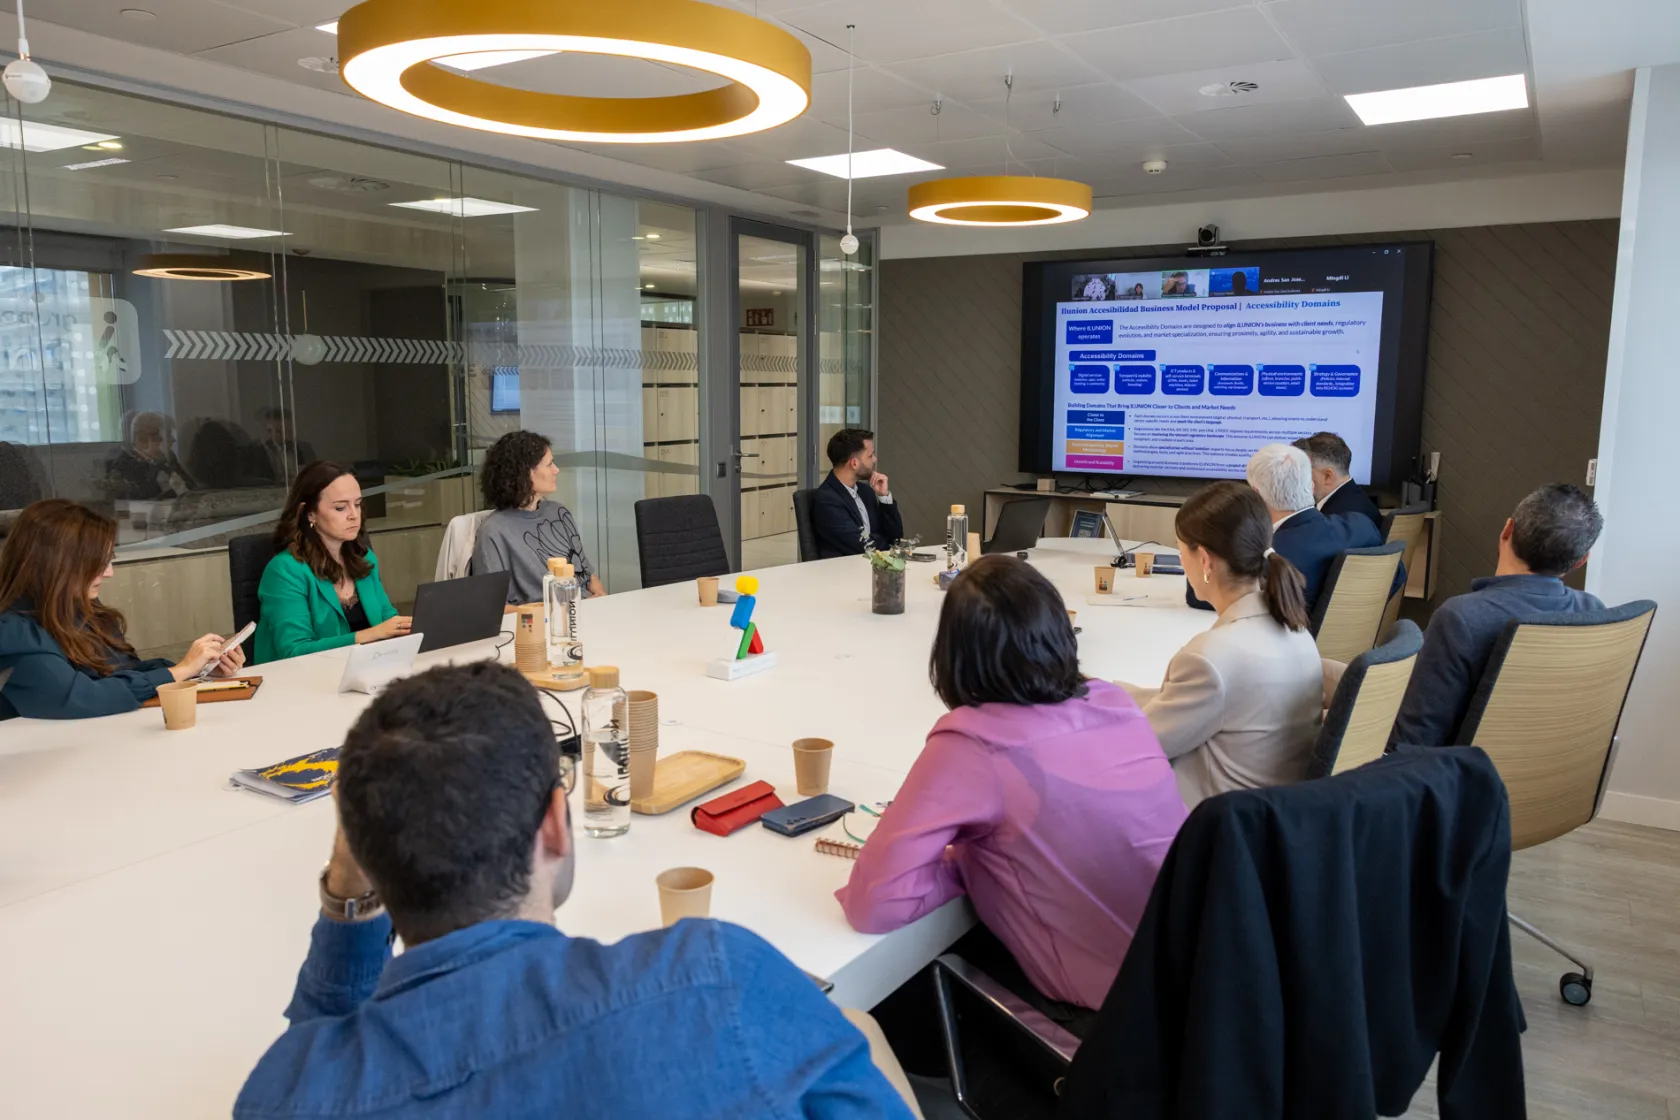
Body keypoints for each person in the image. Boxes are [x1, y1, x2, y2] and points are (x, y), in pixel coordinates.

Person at [236, 661, 917, 1119]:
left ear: (369, 860)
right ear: (557, 824)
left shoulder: (286, 1094)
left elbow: (315, 1048)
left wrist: (346, 898)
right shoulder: (718, 980)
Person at [836, 555, 1186, 1015]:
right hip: (1190, 985)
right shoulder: (1114, 702)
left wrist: (970, 866)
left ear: (954, 653)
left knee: (895, 1005)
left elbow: (875, 903)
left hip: (1107, 1024)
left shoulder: (974, 744)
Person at [1122, 482, 1322, 808]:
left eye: (1179, 549)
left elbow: (1137, 748)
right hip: (1270, 816)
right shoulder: (1293, 630)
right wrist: (1113, 695)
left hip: (1208, 827)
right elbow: (1191, 705)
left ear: (1204, 559)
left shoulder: (1210, 658)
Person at [1391, 484, 1605, 747]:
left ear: (1507, 530)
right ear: (1581, 561)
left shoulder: (1461, 618)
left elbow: (1412, 743)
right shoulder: (1594, 613)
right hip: (1554, 776)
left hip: (1459, 780)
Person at [0, 499, 244, 720]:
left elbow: (121, 673)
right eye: (97, 563)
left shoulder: (84, 610)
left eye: (109, 560)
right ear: (55, 564)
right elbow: (79, 699)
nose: (109, 573)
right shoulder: (12, 631)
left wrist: (198, 670)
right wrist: (179, 672)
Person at [1189, 443, 1385, 613]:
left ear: (1257, 495)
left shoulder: (1266, 557)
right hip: (1351, 648)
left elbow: (1200, 596)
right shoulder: (1362, 527)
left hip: (1285, 651)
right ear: (1310, 485)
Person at [255, 461, 410, 662]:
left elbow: (387, 617)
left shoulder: (364, 558)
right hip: (300, 682)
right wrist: (368, 635)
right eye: (340, 508)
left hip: (363, 672)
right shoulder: (285, 571)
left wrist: (409, 628)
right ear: (310, 513)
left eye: (357, 504)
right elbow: (293, 651)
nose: (354, 515)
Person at [471, 430, 606, 605]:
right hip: (543, 623)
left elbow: (587, 575)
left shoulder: (559, 512)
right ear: (525, 472)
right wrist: (555, 610)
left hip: (583, 614)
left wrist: (601, 600)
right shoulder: (494, 531)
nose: (556, 470)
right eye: (549, 464)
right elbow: (494, 608)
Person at [811, 428, 904, 559]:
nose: (875, 459)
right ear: (854, 463)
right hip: (846, 573)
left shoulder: (865, 491)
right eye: (870, 456)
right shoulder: (827, 500)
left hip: (874, 568)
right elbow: (863, 547)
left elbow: (896, 538)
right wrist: (884, 540)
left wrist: (884, 497)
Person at [1292, 431, 1384, 532]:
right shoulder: (1358, 501)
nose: (1298, 479)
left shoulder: (1335, 522)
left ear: (1327, 476)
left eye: (1304, 472)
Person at [105, 411, 194, 501]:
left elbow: (191, 488)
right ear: (144, 440)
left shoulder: (168, 458)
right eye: (168, 434)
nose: (173, 440)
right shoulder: (122, 464)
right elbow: (144, 498)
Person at [259, 406, 317, 484]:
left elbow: (316, 474)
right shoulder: (257, 451)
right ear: (269, 431)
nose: (286, 435)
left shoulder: (305, 448)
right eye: (280, 431)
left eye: (289, 430)